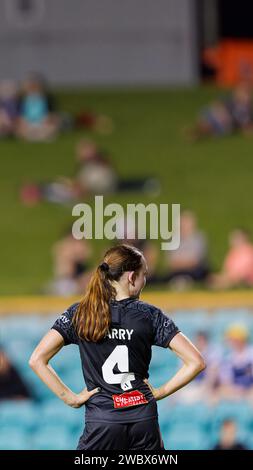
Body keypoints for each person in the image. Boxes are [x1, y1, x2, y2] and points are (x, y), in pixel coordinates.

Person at [29, 244, 205, 450]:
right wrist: (160, 392)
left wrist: (71, 398)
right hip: (143, 419)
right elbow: (196, 362)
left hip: (102, 422)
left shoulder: (81, 313)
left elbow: (37, 359)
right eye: (143, 275)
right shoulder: (149, 315)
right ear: (131, 277)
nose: (144, 281)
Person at [216, 324, 253, 402]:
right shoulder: (228, 357)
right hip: (234, 389)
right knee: (218, 394)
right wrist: (234, 389)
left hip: (250, 389)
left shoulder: (250, 354)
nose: (231, 342)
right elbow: (226, 381)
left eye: (233, 340)